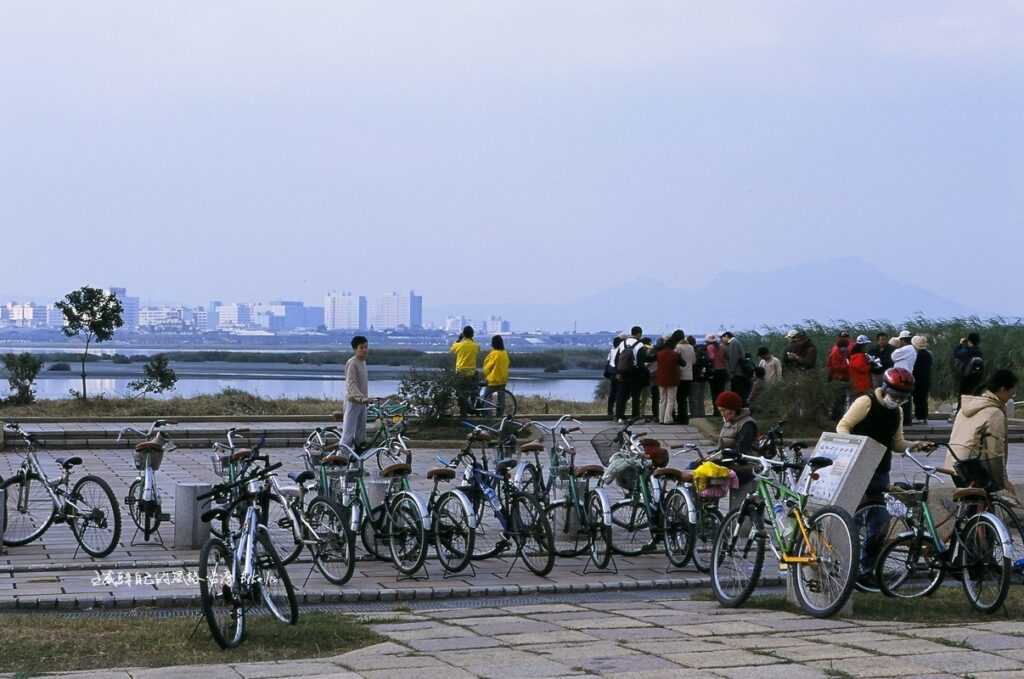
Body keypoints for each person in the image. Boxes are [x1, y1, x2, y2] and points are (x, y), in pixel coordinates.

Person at [837, 367, 933, 582]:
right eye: (895, 395)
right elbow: (843, 426)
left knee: (879, 522)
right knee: (853, 519)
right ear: (885, 388)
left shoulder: (896, 411)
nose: (897, 401)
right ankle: (843, 569)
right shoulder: (866, 402)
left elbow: (896, 443)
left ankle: (866, 570)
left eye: (903, 398)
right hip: (857, 467)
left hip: (880, 470)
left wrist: (916, 445)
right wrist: (855, 447)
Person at [944, 369, 1019, 504]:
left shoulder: (969, 405)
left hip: (955, 464)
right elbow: (995, 451)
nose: (1011, 397)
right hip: (972, 468)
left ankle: (967, 523)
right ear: (1002, 389)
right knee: (984, 511)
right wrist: (1001, 482)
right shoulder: (994, 412)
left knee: (972, 508)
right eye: (1011, 393)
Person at [341, 335, 371, 450]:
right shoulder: (352, 363)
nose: (364, 350)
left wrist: (366, 399)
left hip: (362, 403)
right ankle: (340, 461)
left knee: (361, 435)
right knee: (348, 435)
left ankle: (356, 462)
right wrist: (361, 398)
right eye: (361, 348)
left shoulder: (363, 362)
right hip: (353, 402)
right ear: (355, 349)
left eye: (366, 347)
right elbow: (351, 384)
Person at [614, 326, 648, 423]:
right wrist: (645, 372)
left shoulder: (622, 343)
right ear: (639, 333)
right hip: (635, 374)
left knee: (622, 396)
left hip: (623, 373)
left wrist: (618, 372)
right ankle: (635, 416)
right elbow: (641, 361)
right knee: (635, 397)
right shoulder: (640, 345)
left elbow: (617, 359)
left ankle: (619, 416)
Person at [450, 325, 481, 415]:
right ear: (472, 335)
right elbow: (477, 348)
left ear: (463, 334)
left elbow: (451, 349)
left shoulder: (458, 345)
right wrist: (471, 340)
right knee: (474, 392)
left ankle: (463, 413)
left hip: (460, 373)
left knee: (460, 393)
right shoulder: (476, 346)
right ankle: (475, 409)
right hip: (472, 373)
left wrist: (459, 339)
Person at [953, 332, 985, 410]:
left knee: (963, 396)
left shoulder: (967, 351)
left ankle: (960, 413)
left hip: (966, 378)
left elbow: (956, 354)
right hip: (977, 378)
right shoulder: (979, 352)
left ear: (969, 341)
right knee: (974, 396)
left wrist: (960, 344)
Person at [891, 331, 917, 422]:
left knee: (901, 399)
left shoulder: (906, 349)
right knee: (905, 398)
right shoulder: (911, 349)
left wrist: (897, 347)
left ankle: (904, 420)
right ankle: (906, 419)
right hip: (906, 376)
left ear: (903, 340)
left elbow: (893, 356)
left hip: (902, 377)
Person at [655, 337, 683, 424]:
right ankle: (667, 418)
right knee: (671, 400)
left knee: (662, 399)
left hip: (661, 379)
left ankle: (661, 418)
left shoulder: (659, 354)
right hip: (672, 379)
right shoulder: (675, 354)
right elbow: (683, 363)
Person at [481, 335, 510, 416]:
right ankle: (499, 415)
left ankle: (488, 415)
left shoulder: (493, 354)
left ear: (493, 344)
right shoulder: (504, 353)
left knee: (487, 398)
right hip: (503, 379)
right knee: (501, 399)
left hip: (493, 380)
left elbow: (487, 368)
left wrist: (485, 375)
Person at [826, 333, 852, 421]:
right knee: (837, 399)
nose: (846, 348)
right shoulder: (835, 353)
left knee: (842, 399)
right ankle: (834, 418)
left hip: (843, 378)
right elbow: (835, 366)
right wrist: (848, 366)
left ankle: (837, 417)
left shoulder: (843, 352)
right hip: (838, 378)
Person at [721, 331, 751, 400]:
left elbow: (733, 358)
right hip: (739, 372)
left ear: (726, 336)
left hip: (737, 372)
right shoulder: (735, 342)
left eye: (722, 338)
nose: (722, 340)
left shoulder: (733, 343)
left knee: (737, 392)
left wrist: (731, 371)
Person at [911, 335, 933, 424]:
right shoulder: (928, 354)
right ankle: (924, 417)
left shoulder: (918, 355)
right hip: (926, 379)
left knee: (917, 399)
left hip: (918, 380)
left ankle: (919, 416)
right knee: (923, 399)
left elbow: (915, 368)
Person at [673, 329, 694, 424]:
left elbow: (675, 361)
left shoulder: (677, 347)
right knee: (684, 398)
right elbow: (694, 361)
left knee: (679, 398)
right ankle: (684, 417)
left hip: (680, 375)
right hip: (689, 375)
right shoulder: (691, 347)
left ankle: (680, 417)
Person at [706, 334, 728, 416]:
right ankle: (722, 411)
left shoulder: (710, 347)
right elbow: (726, 358)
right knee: (721, 392)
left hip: (714, 372)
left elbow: (711, 358)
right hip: (722, 371)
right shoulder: (722, 347)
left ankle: (716, 411)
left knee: (714, 393)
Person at [688, 335, 708, 418]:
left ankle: (695, 414)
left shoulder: (692, 351)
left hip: (694, 377)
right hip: (702, 377)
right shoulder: (702, 351)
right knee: (700, 397)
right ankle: (701, 414)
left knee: (693, 397)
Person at [605, 336, 623, 419]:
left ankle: (610, 411)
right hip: (617, 373)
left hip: (611, 373)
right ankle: (618, 413)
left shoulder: (611, 350)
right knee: (620, 393)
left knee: (612, 393)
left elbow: (608, 362)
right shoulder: (620, 351)